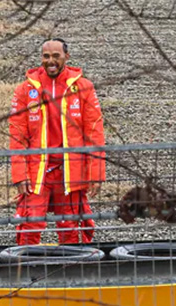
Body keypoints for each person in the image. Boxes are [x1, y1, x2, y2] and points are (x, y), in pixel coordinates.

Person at [9, 38, 105, 245]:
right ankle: (25, 270)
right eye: (46, 56)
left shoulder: (84, 87)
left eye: (55, 56)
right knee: (30, 224)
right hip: (36, 170)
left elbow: (95, 132)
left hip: (71, 169)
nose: (50, 61)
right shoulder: (24, 90)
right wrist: (19, 175)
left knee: (70, 225)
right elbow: (17, 136)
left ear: (66, 57)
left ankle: (70, 271)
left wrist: (96, 173)